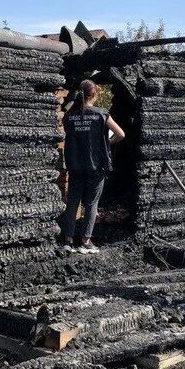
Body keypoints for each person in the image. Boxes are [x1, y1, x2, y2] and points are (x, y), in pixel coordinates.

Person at [61, 79, 125, 254]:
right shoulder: (101, 114)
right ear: (95, 94)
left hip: (75, 164)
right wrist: (108, 142)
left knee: (73, 202)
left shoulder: (70, 116)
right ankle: (85, 242)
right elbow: (121, 134)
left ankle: (68, 240)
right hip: (96, 165)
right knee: (91, 203)